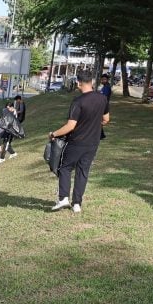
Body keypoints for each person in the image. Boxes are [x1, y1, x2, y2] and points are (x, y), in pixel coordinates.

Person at [49, 70, 111, 213]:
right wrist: (94, 124)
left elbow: (70, 126)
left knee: (65, 168)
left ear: (78, 83)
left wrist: (54, 134)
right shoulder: (102, 99)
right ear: (92, 82)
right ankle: (77, 204)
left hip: (76, 141)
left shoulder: (78, 101)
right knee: (83, 172)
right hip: (93, 143)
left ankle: (63, 198)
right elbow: (106, 119)